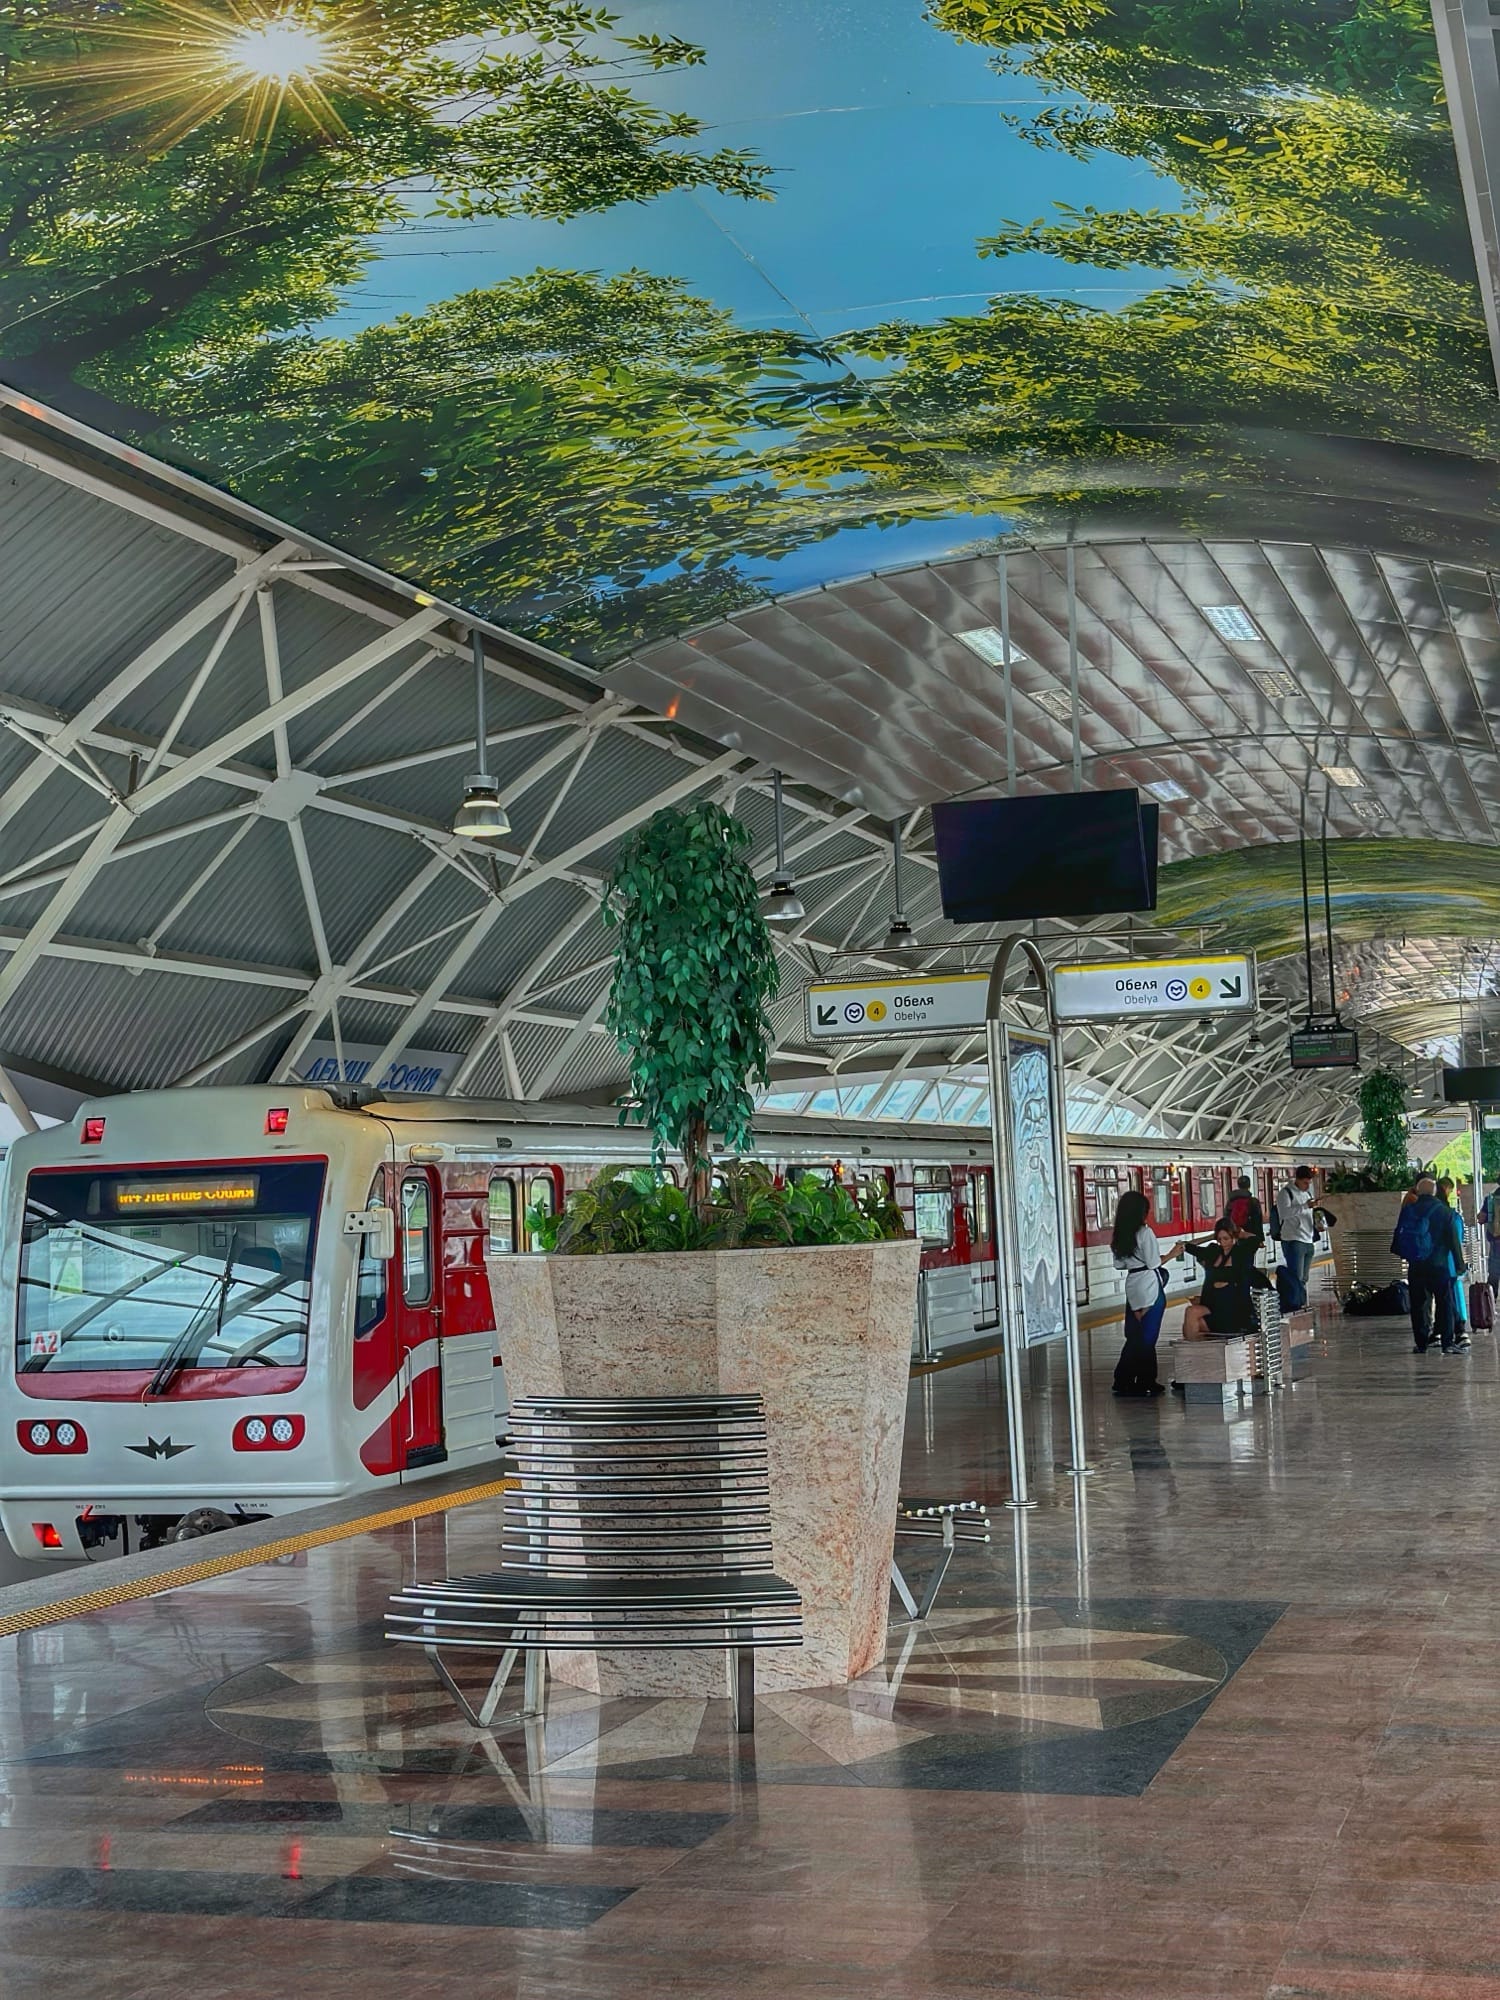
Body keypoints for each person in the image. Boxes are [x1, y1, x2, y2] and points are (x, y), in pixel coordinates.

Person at [1392, 1176, 1465, 1355]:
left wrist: (1406, 1255)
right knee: (1444, 1302)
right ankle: (1447, 1343)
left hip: (1416, 1265)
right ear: (1435, 1192)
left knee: (1419, 1305)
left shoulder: (1409, 1210)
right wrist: (1459, 1264)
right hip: (1439, 1265)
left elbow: (1399, 1235)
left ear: (1418, 1191)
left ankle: (1421, 1344)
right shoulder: (1445, 1212)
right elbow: (1453, 1242)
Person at [1110, 1189, 1169, 1397]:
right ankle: (1146, 1381)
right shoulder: (1145, 1233)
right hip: (1149, 1285)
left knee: (1134, 1336)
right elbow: (1153, 1263)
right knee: (1148, 1337)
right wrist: (1172, 1254)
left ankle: (1123, 1379)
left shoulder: (1119, 1234)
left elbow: (1119, 1264)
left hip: (1132, 1285)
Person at [1180, 1222, 1269, 1339]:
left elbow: (1255, 1239)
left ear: (1233, 1237)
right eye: (1219, 1239)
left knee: (1195, 1322)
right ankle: (1196, 1348)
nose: (1223, 1243)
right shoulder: (1213, 1251)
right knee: (1191, 1314)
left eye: (1226, 1238)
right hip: (1212, 1306)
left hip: (1233, 1310)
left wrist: (1240, 1233)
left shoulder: (1242, 1253)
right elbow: (1187, 1246)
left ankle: (1199, 1346)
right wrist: (1210, 1237)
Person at [1276, 1165, 1318, 1311]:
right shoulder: (1286, 1193)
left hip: (1308, 1239)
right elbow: (1284, 1213)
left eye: (1309, 1183)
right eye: (1305, 1183)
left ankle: (1301, 1301)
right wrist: (1305, 1206)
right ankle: (1295, 1304)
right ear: (1297, 1180)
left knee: (1304, 1277)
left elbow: (1308, 1213)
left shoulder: (1307, 1194)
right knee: (1296, 1275)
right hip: (1293, 1239)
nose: (1307, 1186)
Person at [1436, 1178, 1470, 1346]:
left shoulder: (1431, 1214)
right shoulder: (1453, 1216)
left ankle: (1454, 1331)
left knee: (1444, 1299)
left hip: (1438, 1263)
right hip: (1452, 1263)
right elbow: (1459, 1238)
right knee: (1451, 1296)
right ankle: (1456, 1329)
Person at [1224, 1175, 1264, 1247]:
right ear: (1249, 1186)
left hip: (1235, 1235)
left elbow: (1226, 1219)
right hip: (1250, 1235)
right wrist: (1259, 1239)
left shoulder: (1230, 1202)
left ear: (1238, 1185)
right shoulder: (1253, 1201)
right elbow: (1257, 1222)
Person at [1479, 1181, 1500, 1291]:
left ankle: (1491, 1298)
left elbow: (1481, 1218)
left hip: (1496, 1241)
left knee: (1494, 1274)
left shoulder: (1491, 1199)